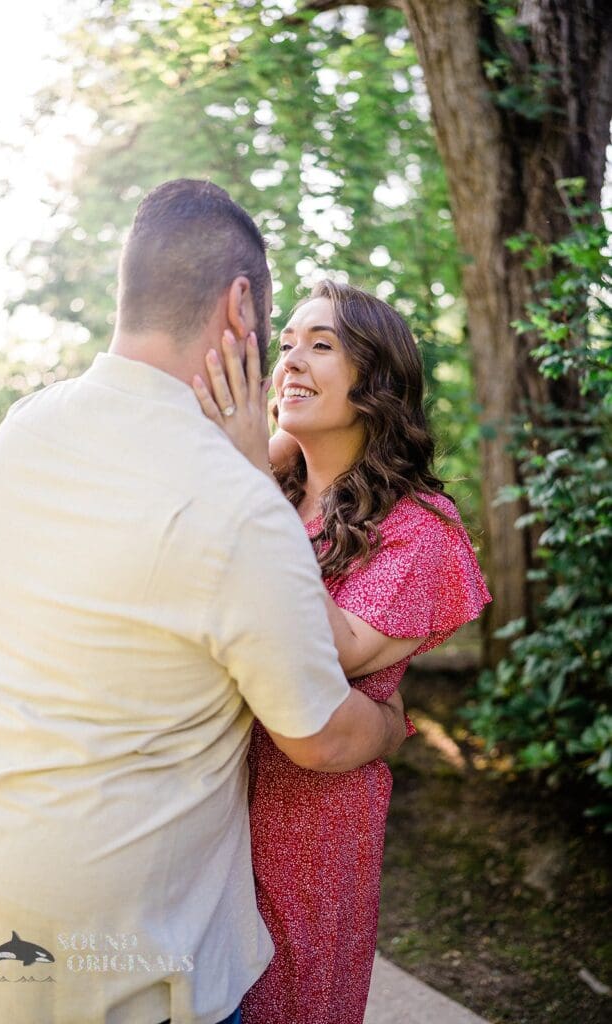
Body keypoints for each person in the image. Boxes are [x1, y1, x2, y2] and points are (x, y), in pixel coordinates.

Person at [0, 181, 410, 1024]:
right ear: (238, 307)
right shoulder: (238, 506)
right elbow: (322, 738)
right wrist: (390, 724)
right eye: (272, 327)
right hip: (121, 955)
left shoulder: (25, 429)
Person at [193, 278, 492, 1024]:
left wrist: (245, 476)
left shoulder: (422, 527)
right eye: (286, 343)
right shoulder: (273, 485)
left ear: (377, 384)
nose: (289, 361)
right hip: (203, 800)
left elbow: (328, 653)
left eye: (321, 345)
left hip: (306, 821)